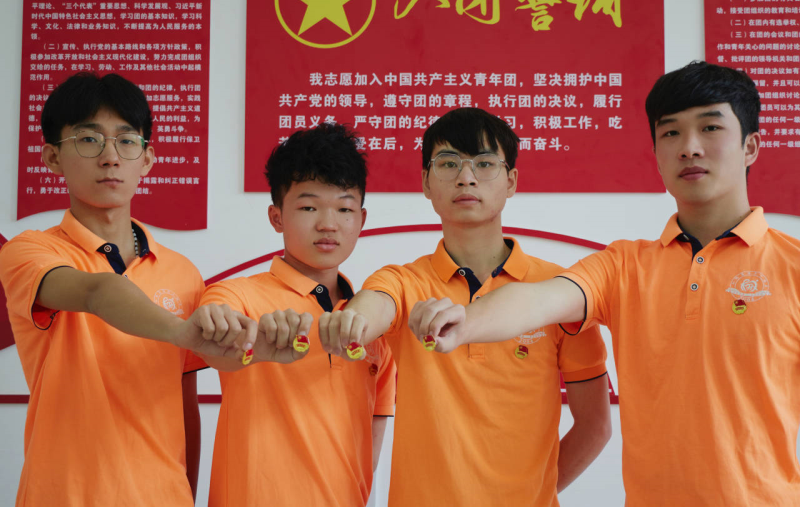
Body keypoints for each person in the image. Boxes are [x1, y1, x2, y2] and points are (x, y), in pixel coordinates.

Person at [416, 62, 800, 506]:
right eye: (671, 133)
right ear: (655, 153)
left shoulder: (792, 267)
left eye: (710, 127)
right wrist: (465, 322)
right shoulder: (624, 265)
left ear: (750, 146)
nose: (689, 148)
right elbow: (542, 298)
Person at [318, 108, 611, 506]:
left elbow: (595, 426)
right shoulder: (402, 282)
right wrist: (352, 322)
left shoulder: (559, 292)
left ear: (511, 181)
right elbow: (374, 306)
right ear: (426, 182)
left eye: (484, 164)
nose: (466, 177)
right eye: (448, 163)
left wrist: (532, 494)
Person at [0, 73, 252, 507]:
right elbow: (96, 292)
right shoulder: (30, 251)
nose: (110, 157)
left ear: (147, 158)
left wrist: (186, 494)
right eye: (88, 139)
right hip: (62, 495)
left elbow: (185, 406)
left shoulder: (183, 273)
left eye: (127, 141)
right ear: (52, 157)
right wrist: (181, 331)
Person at [198, 123, 396, 507]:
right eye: (308, 207)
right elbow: (213, 343)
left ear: (361, 219)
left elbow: (370, 447)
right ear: (277, 217)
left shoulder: (374, 322)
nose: (328, 224)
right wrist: (256, 339)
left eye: (344, 208)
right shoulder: (234, 296)